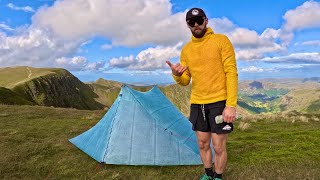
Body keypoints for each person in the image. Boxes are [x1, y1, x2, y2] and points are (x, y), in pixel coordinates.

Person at [166, 7, 238, 180]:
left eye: (199, 21)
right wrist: (176, 75)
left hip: (219, 102)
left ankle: (218, 177)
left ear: (206, 21)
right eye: (192, 22)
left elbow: (231, 73)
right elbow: (185, 81)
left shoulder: (221, 40)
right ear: (188, 25)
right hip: (198, 103)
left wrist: (230, 105)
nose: (196, 24)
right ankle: (208, 174)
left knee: (218, 146)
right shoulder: (186, 50)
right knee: (202, 143)